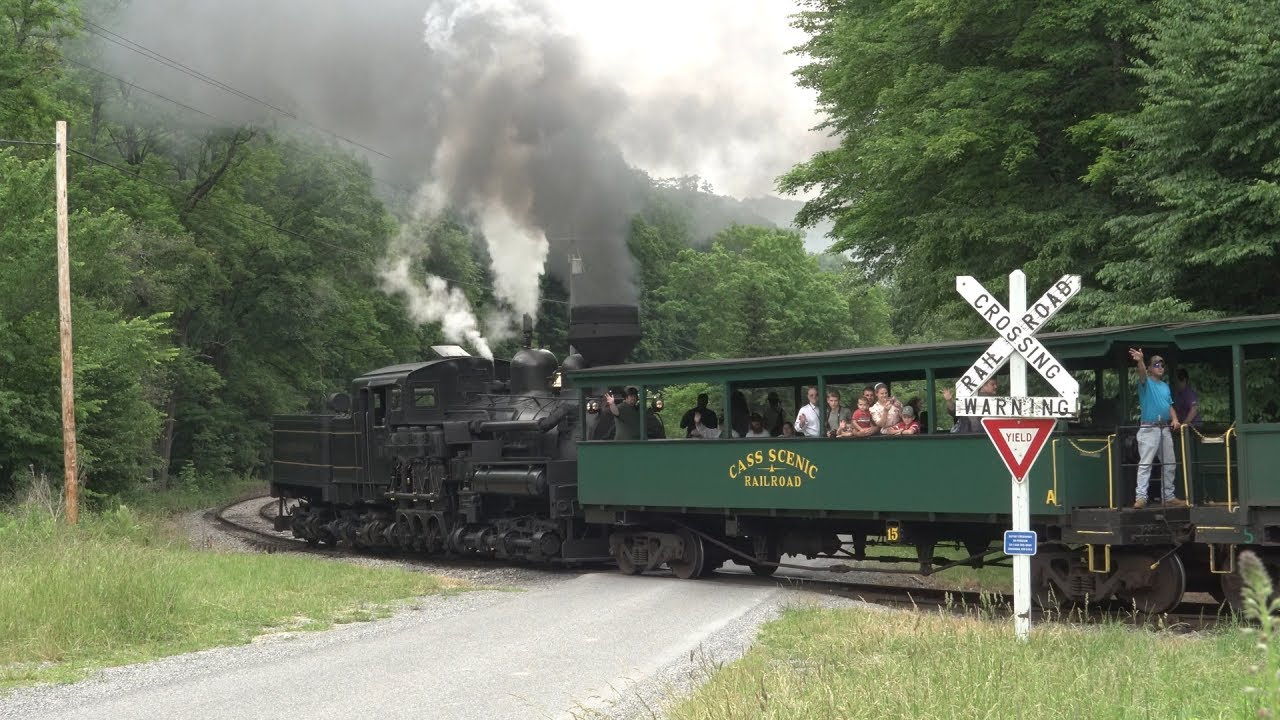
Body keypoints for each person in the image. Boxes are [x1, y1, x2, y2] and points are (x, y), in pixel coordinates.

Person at [1129, 348, 1184, 509]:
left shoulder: (1165, 387)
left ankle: (1168, 496)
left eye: (1161, 365)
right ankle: (1141, 497)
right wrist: (1140, 361)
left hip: (1164, 428)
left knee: (1170, 463)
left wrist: (1174, 419)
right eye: (1156, 365)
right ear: (1150, 368)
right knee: (1145, 464)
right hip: (1148, 428)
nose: (1160, 367)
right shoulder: (1146, 382)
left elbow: (1169, 405)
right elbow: (1142, 374)